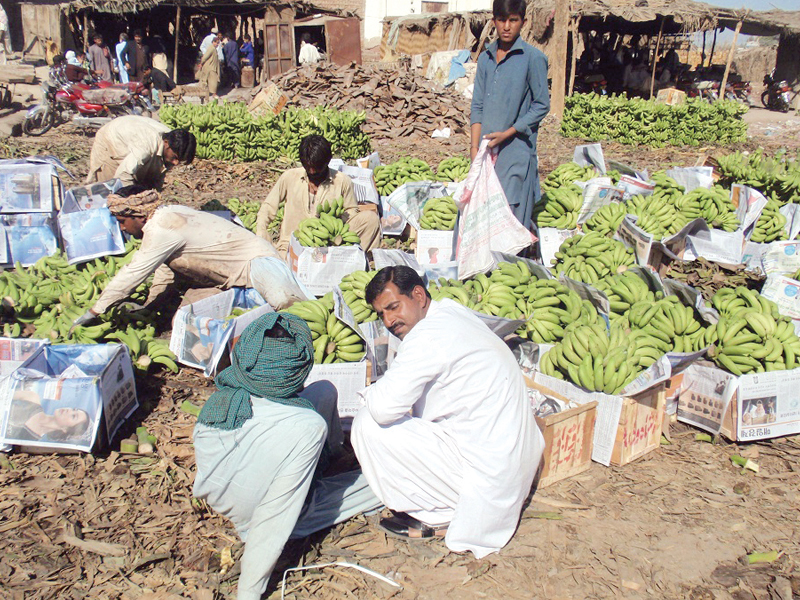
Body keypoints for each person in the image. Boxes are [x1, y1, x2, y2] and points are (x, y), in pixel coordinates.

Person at [351, 266, 544, 555]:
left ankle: (440, 514)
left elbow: (382, 408)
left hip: (487, 479)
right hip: (507, 466)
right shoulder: (451, 312)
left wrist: (370, 394)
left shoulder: (428, 335)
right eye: (381, 314)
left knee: (367, 424)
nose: (389, 321)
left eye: (393, 307)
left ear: (418, 295)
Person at [192, 312, 381, 600]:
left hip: (224, 493)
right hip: (254, 516)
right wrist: (249, 592)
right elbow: (273, 515)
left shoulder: (224, 398)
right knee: (381, 483)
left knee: (324, 390)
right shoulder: (306, 426)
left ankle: (332, 456)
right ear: (298, 367)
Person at [69, 187, 313, 332]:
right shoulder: (163, 219)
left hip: (254, 261)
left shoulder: (162, 228)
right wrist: (152, 304)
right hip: (217, 278)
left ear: (138, 215)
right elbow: (165, 270)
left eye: (122, 221)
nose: (122, 228)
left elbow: (134, 273)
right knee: (184, 324)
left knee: (288, 305)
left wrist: (95, 310)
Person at [470, 0, 550, 230]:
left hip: (515, 150)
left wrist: (509, 132)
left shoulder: (533, 58)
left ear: (522, 23)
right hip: (486, 153)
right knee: (482, 217)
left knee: (510, 217)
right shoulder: (485, 58)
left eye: (513, 20)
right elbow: (477, 106)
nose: (507, 26)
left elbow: (541, 105)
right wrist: (474, 149)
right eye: (502, 20)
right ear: (494, 21)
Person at [257, 135, 381, 255]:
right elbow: (268, 207)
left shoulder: (342, 181)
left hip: (330, 243)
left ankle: (353, 260)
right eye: (308, 168)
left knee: (371, 219)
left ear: (328, 161)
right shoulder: (289, 177)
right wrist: (261, 231)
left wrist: (333, 224)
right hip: (292, 245)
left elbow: (352, 211)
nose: (312, 172)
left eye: (317, 169)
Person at [85, 115, 196, 189]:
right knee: (110, 190)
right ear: (166, 143)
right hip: (110, 141)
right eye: (175, 157)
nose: (176, 163)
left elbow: (158, 176)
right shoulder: (146, 147)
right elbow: (123, 175)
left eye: (179, 160)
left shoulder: (173, 141)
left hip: (133, 138)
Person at [5, 390, 91, 443]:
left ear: (66, 429)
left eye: (73, 416)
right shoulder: (31, 398)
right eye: (74, 409)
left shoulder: (30, 442)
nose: (69, 410)